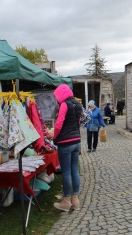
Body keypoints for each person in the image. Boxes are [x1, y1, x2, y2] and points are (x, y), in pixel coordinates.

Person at [52, 84, 82, 212]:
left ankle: (66, 201)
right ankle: (75, 200)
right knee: (74, 169)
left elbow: (58, 125)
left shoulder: (64, 105)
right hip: (76, 141)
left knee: (66, 172)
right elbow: (79, 122)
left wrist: (54, 137)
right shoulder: (78, 104)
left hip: (65, 142)